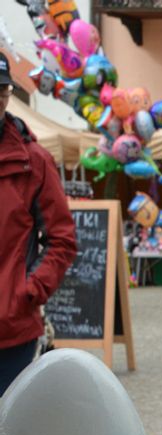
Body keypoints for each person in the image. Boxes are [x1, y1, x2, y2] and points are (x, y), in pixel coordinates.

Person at [0, 53, 77, 395]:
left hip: (12, 330)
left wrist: (28, 292)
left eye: (2, 91)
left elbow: (62, 239)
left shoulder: (34, 161)